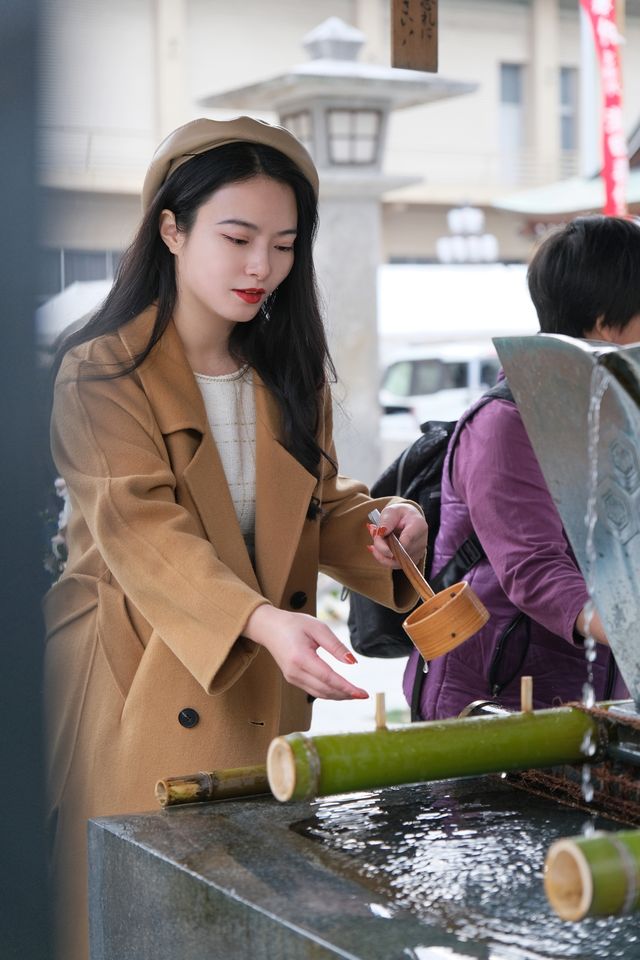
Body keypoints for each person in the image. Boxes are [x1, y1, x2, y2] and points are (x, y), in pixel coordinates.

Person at [44, 116, 428, 959]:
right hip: (136, 680)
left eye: (285, 244)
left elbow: (314, 508)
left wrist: (387, 524)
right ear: (172, 230)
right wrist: (261, 621)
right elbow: (147, 533)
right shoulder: (100, 372)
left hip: (262, 684)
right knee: (142, 920)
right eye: (239, 236)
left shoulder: (286, 370)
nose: (264, 266)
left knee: (245, 922)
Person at [404, 214, 638, 721]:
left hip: (587, 688)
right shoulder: (506, 424)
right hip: (491, 695)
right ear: (603, 321)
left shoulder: (608, 412)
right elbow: (532, 568)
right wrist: (628, 630)